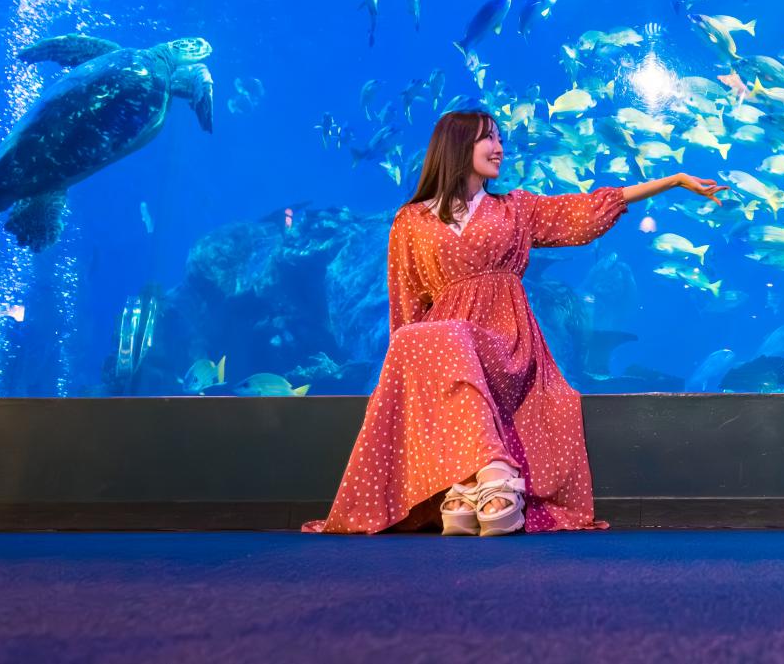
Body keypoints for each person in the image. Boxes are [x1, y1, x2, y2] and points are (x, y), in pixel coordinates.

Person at [302, 109, 725, 537]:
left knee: (448, 337)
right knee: (420, 338)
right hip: (446, 345)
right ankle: (479, 480)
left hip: (506, 339)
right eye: (488, 138)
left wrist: (671, 181)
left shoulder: (515, 209)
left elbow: (584, 209)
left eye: (500, 138)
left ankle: (485, 477)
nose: (499, 147)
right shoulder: (410, 221)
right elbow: (406, 305)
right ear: (456, 146)